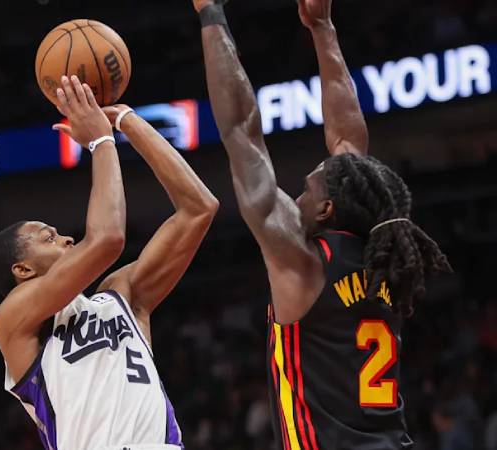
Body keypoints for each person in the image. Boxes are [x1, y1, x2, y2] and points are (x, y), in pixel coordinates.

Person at [192, 0, 452, 448]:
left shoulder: (304, 261)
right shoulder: (384, 263)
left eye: (306, 190)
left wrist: (211, 15)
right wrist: (322, 26)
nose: (295, 197)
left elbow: (241, 131)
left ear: (327, 210)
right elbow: (350, 140)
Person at [0, 75, 218, 450]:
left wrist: (128, 121)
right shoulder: (15, 319)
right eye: (48, 237)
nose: (66, 238)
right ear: (22, 270)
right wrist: (100, 142)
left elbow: (199, 209)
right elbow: (107, 239)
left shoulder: (121, 295)